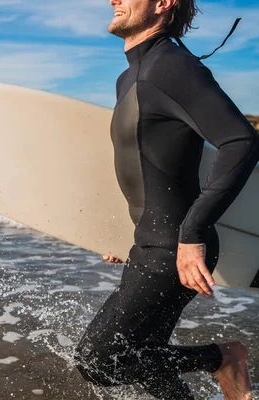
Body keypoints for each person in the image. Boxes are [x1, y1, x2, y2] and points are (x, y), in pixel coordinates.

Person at [74, 0, 259, 399]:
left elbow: (240, 141)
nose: (114, 0)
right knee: (145, 361)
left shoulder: (173, 67)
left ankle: (223, 358)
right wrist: (131, 231)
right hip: (150, 243)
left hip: (174, 247)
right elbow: (148, 167)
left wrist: (191, 234)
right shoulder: (130, 78)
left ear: (163, 4)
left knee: (99, 361)